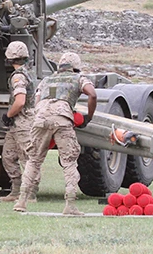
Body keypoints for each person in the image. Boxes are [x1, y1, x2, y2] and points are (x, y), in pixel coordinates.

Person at [13, 52, 96, 216]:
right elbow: (92, 94)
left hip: (40, 119)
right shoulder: (78, 78)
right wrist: (89, 117)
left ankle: (22, 201)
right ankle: (70, 204)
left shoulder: (46, 80)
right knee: (69, 161)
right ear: (75, 67)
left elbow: (37, 101)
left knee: (33, 160)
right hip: (62, 119)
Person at [0, 41, 36, 203]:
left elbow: (20, 101)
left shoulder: (18, 77)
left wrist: (8, 115)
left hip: (23, 122)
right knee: (8, 156)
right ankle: (16, 190)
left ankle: (30, 194)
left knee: (27, 158)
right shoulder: (27, 73)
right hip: (17, 124)